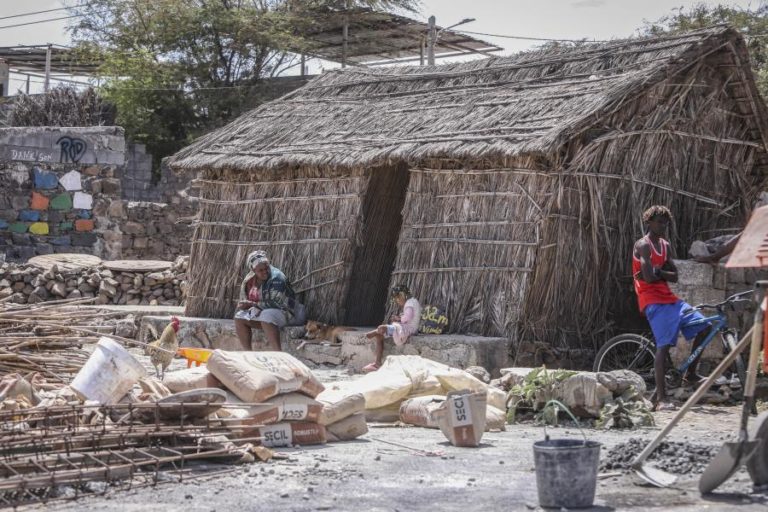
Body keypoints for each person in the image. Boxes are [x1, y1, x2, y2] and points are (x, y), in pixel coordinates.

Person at [632, 206, 712, 411]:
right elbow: (647, 279)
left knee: (705, 326)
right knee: (664, 346)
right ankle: (662, 399)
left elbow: (674, 276)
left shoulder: (665, 245)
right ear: (649, 222)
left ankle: (690, 375)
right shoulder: (644, 245)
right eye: (659, 222)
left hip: (670, 300)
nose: (663, 226)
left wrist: (657, 271)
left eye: (665, 222)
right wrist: (659, 272)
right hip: (652, 301)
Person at [234, 250, 303, 351]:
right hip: (268, 314)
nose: (265, 271)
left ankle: (278, 354)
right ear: (253, 270)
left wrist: (253, 304)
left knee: (266, 315)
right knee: (239, 317)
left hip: (290, 313)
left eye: (266, 267)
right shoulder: (250, 280)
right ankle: (248, 353)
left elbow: (277, 303)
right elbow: (247, 299)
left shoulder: (277, 278)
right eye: (260, 270)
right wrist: (245, 304)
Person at [363, 285, 421, 373]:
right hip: (409, 327)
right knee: (379, 336)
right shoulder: (413, 302)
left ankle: (377, 331)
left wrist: (399, 319)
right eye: (396, 298)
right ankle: (377, 363)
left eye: (398, 297)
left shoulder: (409, 303)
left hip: (408, 329)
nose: (397, 300)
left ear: (404, 295)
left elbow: (408, 317)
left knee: (382, 328)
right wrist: (400, 318)